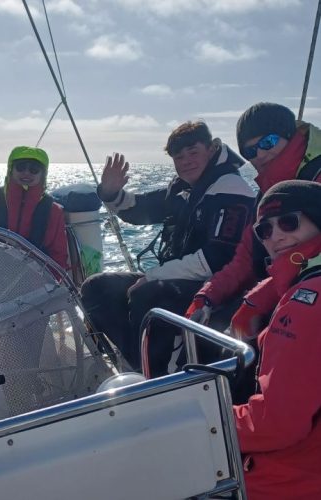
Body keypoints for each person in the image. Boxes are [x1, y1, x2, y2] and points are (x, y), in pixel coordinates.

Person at [80, 121, 255, 373]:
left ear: (212, 148)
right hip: (181, 277)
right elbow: (140, 210)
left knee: (149, 294)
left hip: (217, 285)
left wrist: (153, 276)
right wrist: (110, 192)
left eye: (193, 152)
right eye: (178, 157)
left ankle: (158, 378)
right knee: (95, 288)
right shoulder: (185, 188)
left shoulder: (232, 188)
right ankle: (140, 364)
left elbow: (217, 259)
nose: (186, 161)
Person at [187, 103, 321, 326]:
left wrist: (257, 301)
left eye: (268, 142)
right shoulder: (265, 195)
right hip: (279, 289)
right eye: (249, 151)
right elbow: (245, 260)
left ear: (289, 135)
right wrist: (206, 296)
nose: (259, 154)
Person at [231, 180, 321, 499]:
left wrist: (210, 421)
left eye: (288, 222)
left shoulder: (306, 303)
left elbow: (277, 423)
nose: (276, 236)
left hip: (291, 481)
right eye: (264, 230)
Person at [0, 145, 69, 270]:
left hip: (37, 282)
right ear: (11, 169)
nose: (26, 172)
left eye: (34, 169)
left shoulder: (54, 212)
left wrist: (50, 286)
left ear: (43, 174)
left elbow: (59, 255)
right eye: (20, 167)